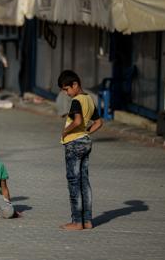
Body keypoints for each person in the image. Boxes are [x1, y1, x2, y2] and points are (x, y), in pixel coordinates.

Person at [57, 70, 104, 231]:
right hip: (85, 142)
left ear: (75, 85)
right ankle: (88, 221)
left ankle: (77, 222)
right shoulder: (90, 99)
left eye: (66, 89)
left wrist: (65, 131)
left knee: (74, 182)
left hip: (74, 143)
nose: (66, 93)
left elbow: (77, 121)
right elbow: (99, 122)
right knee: (84, 181)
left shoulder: (76, 101)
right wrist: (87, 132)